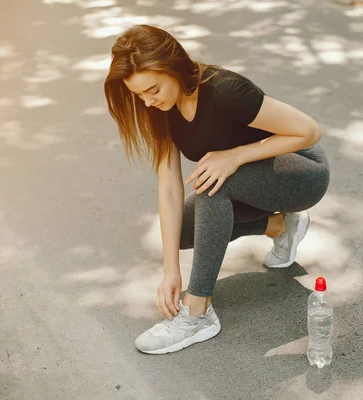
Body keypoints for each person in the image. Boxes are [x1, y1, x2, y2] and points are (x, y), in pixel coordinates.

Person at [104, 25, 330, 355]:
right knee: (180, 231)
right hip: (251, 185)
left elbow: (309, 132)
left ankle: (198, 313)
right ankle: (279, 225)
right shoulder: (161, 110)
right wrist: (171, 272)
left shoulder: (225, 90)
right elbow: (168, 188)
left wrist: (235, 156)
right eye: (139, 95)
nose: (147, 102)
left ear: (172, 66)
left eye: (152, 89)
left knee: (213, 182)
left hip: (302, 172)